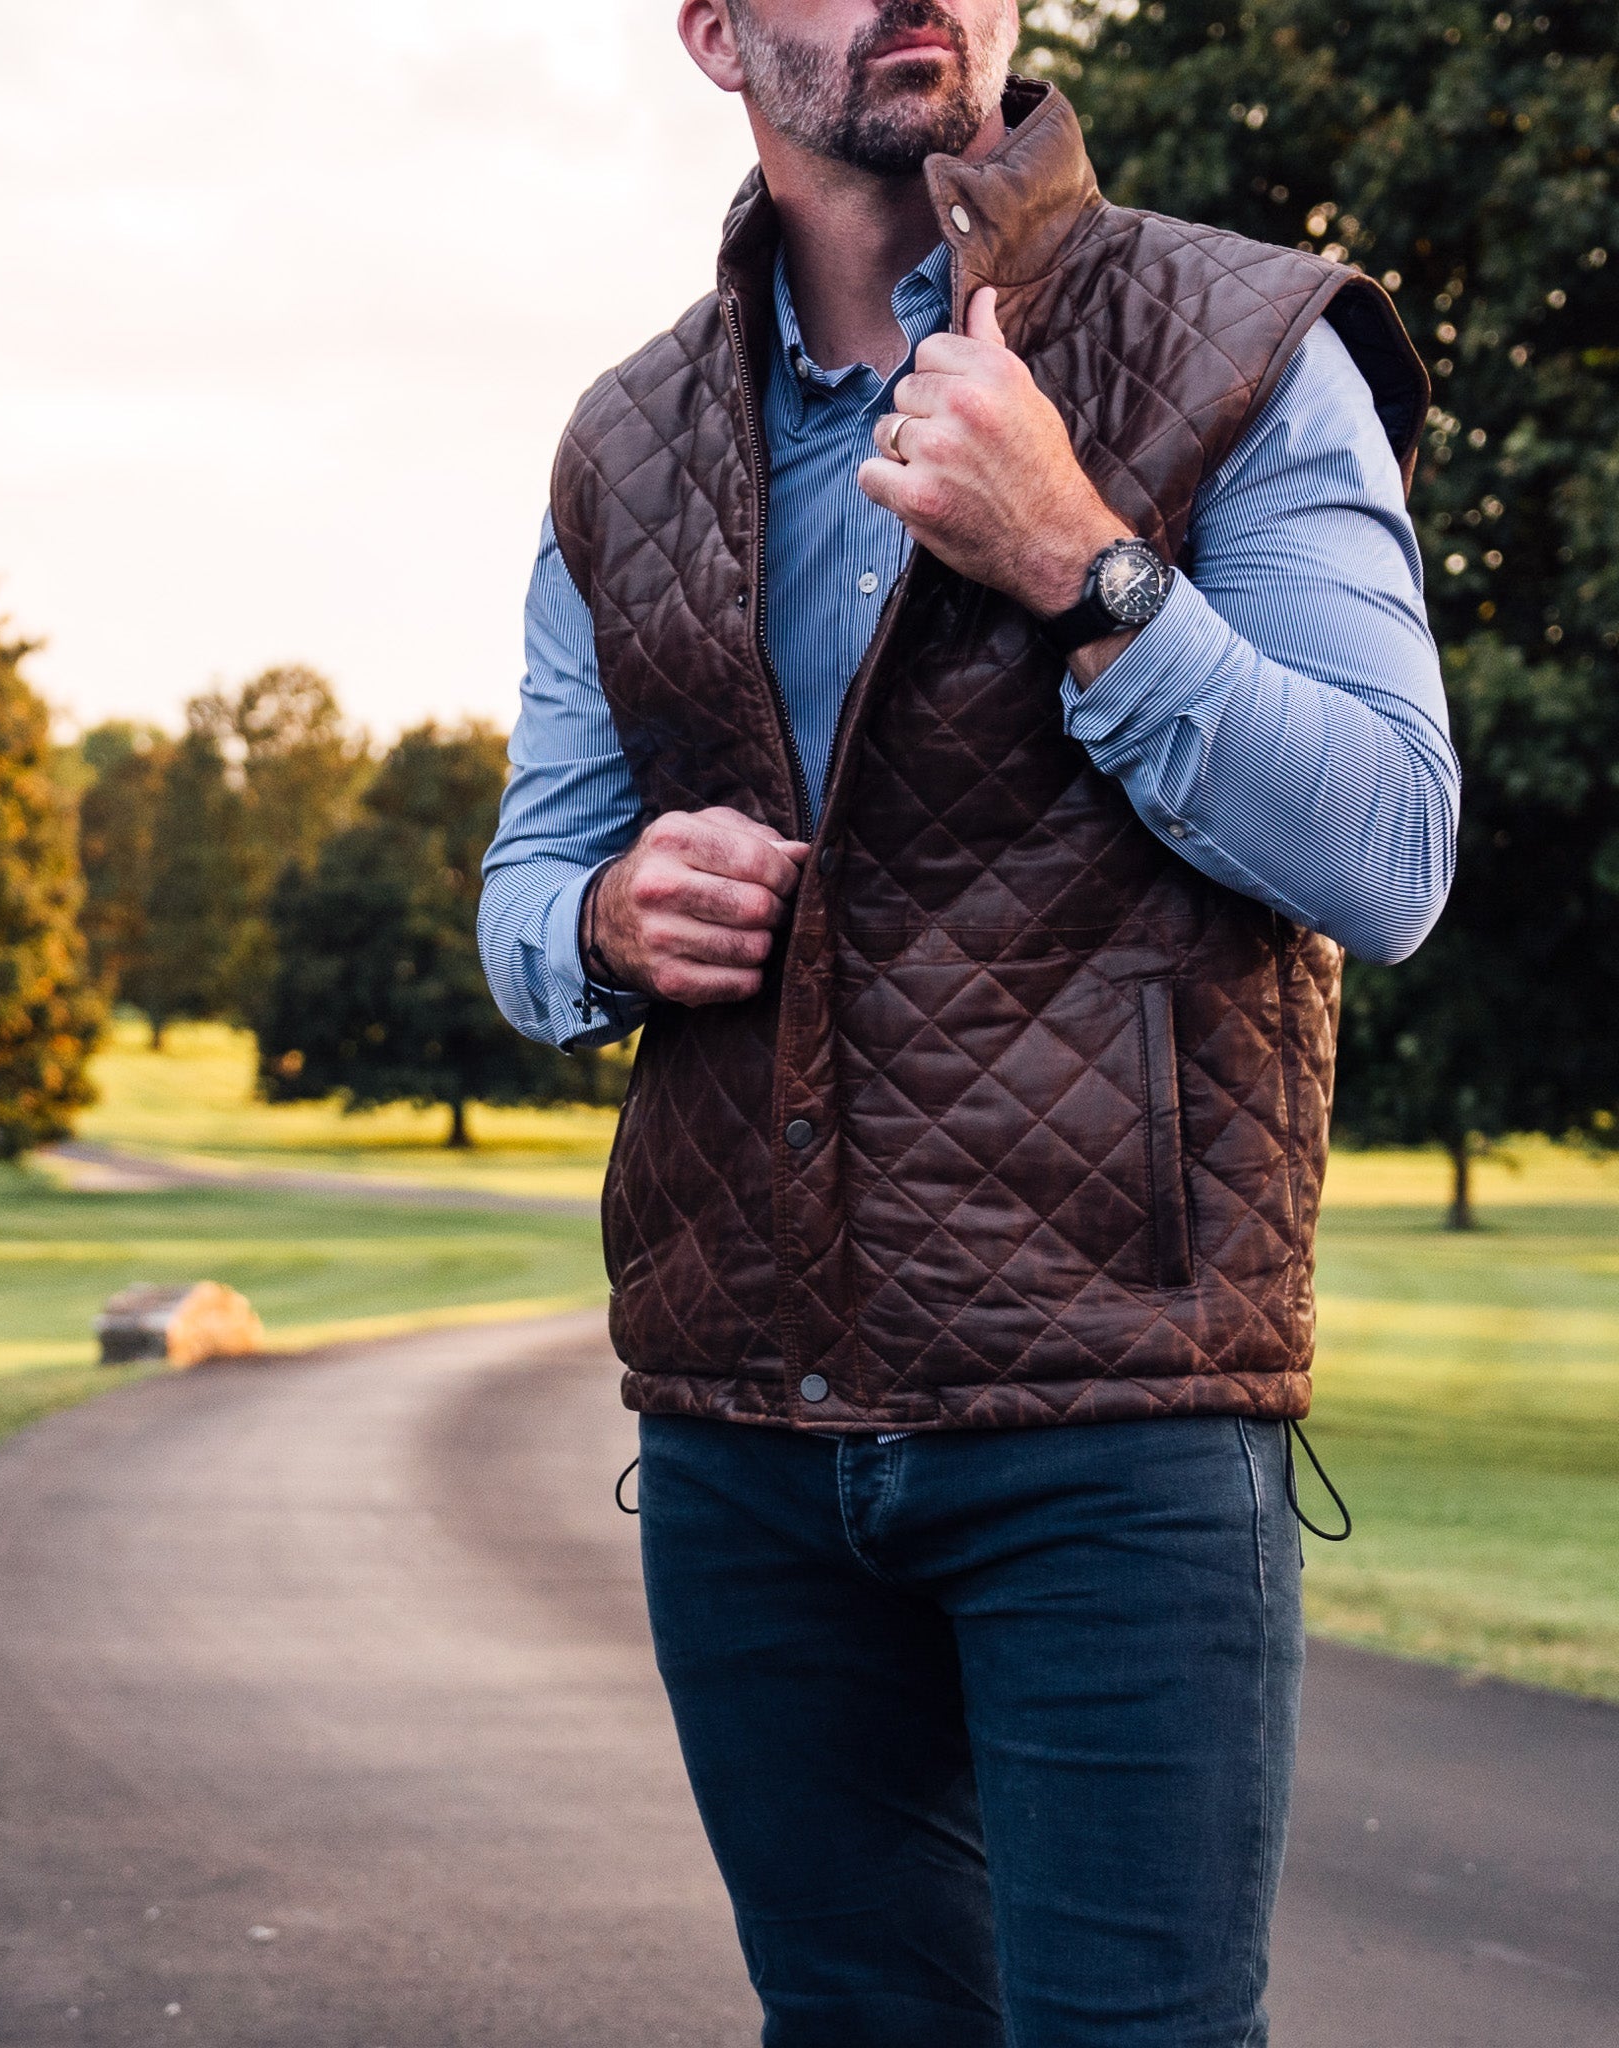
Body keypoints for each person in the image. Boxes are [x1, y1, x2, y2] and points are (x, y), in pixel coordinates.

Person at [477, 2, 1459, 2041]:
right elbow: (521, 891)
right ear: (716, 33)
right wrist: (601, 915)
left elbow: (1388, 849)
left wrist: (1083, 564)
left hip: (1115, 1412)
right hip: (740, 1431)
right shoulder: (620, 440)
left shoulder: (1246, 340)